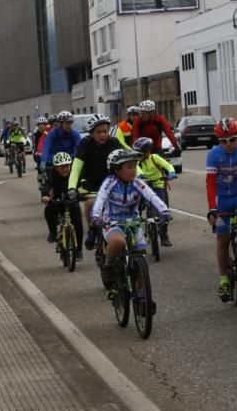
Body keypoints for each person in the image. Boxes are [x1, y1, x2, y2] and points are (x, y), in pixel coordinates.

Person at [90, 149, 170, 292]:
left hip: (134, 222)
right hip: (113, 222)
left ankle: (142, 299)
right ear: (117, 170)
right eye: (129, 167)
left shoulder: (137, 183)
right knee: (119, 241)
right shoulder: (110, 182)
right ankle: (108, 266)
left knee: (141, 258)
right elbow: (100, 198)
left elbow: (151, 196)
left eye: (135, 166)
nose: (134, 170)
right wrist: (95, 216)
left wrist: (164, 211)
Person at [205, 117, 237, 301]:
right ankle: (224, 280)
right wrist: (212, 209)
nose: (229, 144)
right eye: (224, 141)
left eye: (233, 139)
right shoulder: (213, 155)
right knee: (222, 238)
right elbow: (210, 183)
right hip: (221, 199)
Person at [67, 113, 129, 252]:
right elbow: (76, 169)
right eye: (98, 132)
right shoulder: (85, 144)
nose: (102, 135)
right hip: (92, 183)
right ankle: (92, 230)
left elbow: (129, 163)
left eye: (105, 131)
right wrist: (72, 188)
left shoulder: (114, 143)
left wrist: (140, 177)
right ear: (91, 133)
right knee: (90, 202)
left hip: (111, 182)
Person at [133, 136, 176, 247]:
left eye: (140, 154)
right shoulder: (137, 162)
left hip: (158, 185)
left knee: (163, 210)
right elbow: (136, 169)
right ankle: (134, 233)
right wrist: (141, 175)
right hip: (144, 187)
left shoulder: (154, 158)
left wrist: (171, 172)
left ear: (147, 152)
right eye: (136, 154)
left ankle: (164, 234)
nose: (138, 156)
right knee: (136, 207)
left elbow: (167, 165)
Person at [40, 151, 83, 260]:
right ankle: (53, 232)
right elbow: (47, 185)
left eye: (67, 166)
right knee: (48, 210)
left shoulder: (74, 174)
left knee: (78, 223)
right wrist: (45, 195)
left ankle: (78, 250)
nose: (65, 169)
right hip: (58, 201)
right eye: (61, 167)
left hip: (72, 202)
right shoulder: (53, 175)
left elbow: (83, 183)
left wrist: (83, 194)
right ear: (56, 168)